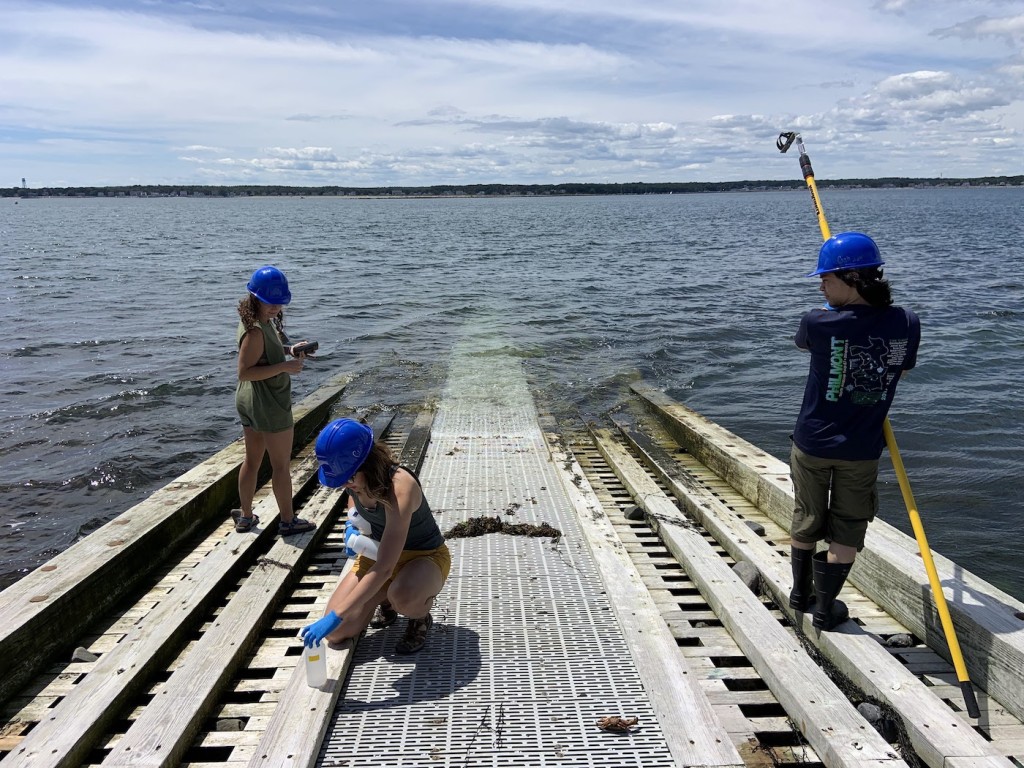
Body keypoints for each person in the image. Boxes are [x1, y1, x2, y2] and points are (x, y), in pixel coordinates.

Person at [787, 232, 921, 630]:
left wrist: (836, 316)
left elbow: (804, 345)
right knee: (849, 525)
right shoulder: (906, 322)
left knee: (807, 515)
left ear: (852, 279)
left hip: (811, 441)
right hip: (861, 449)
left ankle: (801, 593)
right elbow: (904, 368)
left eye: (826, 278)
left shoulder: (817, 321)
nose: (820, 285)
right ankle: (827, 610)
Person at [299, 418, 451, 654]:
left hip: (423, 557)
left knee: (404, 596)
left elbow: (384, 568)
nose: (346, 486)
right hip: (377, 553)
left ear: (367, 464)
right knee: (337, 632)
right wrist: (352, 522)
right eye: (341, 481)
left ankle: (419, 616)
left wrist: (336, 615)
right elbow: (353, 498)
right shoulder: (355, 482)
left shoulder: (400, 487)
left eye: (349, 478)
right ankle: (384, 598)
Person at [234, 265, 317, 537]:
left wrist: (289, 350)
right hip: (268, 402)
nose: (276, 307)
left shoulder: (254, 321)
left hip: (250, 402)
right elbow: (245, 371)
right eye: (271, 302)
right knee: (281, 465)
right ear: (256, 297)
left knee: (253, 460)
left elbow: (263, 353)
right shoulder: (257, 330)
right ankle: (288, 521)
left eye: (280, 302)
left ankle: (245, 516)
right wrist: (285, 367)